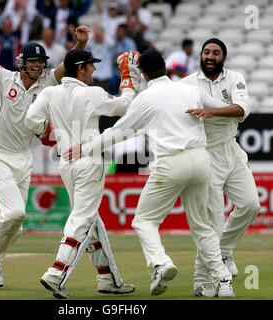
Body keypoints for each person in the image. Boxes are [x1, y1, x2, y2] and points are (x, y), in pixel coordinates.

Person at [64, 48, 236, 298]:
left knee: (143, 221)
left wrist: (85, 148)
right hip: (201, 161)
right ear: (165, 67)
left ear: (142, 73)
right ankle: (223, 281)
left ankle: (161, 263)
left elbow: (117, 132)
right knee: (203, 225)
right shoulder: (189, 89)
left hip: (170, 163)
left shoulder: (145, 99)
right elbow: (223, 110)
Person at [0, 5, 90, 289]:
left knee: (13, 227)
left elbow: (67, 65)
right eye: (34, 62)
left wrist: (82, 44)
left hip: (24, 159)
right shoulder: (0, 78)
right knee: (15, 214)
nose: (38, 66)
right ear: (22, 62)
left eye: (41, 63)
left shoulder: (46, 85)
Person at [25, 48, 140, 299]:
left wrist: (50, 134)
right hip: (88, 161)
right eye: (91, 65)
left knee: (90, 221)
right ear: (81, 68)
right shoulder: (92, 93)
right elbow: (125, 105)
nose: (94, 70)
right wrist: (129, 77)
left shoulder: (50, 93)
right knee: (82, 220)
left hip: (66, 164)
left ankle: (107, 278)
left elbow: (31, 120)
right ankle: (56, 273)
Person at [181, 38, 260, 296]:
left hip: (231, 148)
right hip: (206, 154)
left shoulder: (234, 78)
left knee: (250, 205)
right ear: (201, 55)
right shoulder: (188, 83)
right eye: (206, 52)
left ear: (223, 57)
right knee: (212, 223)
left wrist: (211, 112)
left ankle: (224, 252)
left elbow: (242, 110)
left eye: (216, 52)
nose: (210, 56)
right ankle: (201, 281)